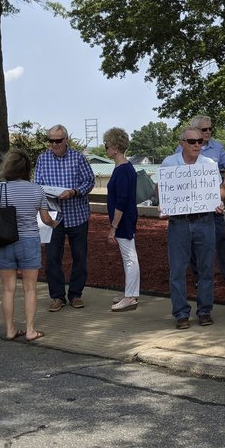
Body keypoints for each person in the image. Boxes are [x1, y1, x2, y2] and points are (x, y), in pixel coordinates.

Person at [0, 149, 59, 341]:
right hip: (29, 240)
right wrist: (54, 224)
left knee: (8, 288)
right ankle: (31, 330)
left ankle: (10, 329)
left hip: (5, 241)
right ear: (27, 169)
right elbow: (45, 218)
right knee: (30, 288)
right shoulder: (37, 189)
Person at [160, 126, 225, 329]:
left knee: (206, 268)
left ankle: (205, 310)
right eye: (192, 142)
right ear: (182, 143)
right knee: (177, 270)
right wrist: (163, 203)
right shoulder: (170, 163)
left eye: (200, 141)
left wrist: (218, 200)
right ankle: (181, 313)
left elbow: (218, 191)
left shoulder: (209, 164)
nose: (197, 144)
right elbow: (161, 191)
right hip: (179, 222)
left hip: (204, 220)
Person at [34, 124, 95, 312]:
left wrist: (75, 191)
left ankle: (76, 294)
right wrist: (46, 194)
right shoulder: (42, 159)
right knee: (52, 258)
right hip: (52, 217)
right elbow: (37, 185)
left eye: (58, 140)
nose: (54, 144)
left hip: (77, 214)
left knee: (79, 257)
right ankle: (57, 296)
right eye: (51, 140)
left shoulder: (78, 158)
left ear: (66, 140)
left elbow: (90, 181)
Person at [180, 115, 225, 290]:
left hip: (213, 204)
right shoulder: (183, 148)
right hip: (192, 205)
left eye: (210, 129)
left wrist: (222, 187)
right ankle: (198, 276)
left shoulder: (217, 147)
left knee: (222, 238)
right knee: (194, 241)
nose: (208, 132)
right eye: (204, 130)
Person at [104, 127, 140, 312]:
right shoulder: (122, 168)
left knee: (129, 257)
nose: (105, 149)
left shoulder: (123, 170)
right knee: (129, 256)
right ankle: (130, 292)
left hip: (124, 219)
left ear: (115, 148)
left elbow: (122, 201)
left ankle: (131, 296)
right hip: (125, 218)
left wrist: (113, 227)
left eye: (106, 145)